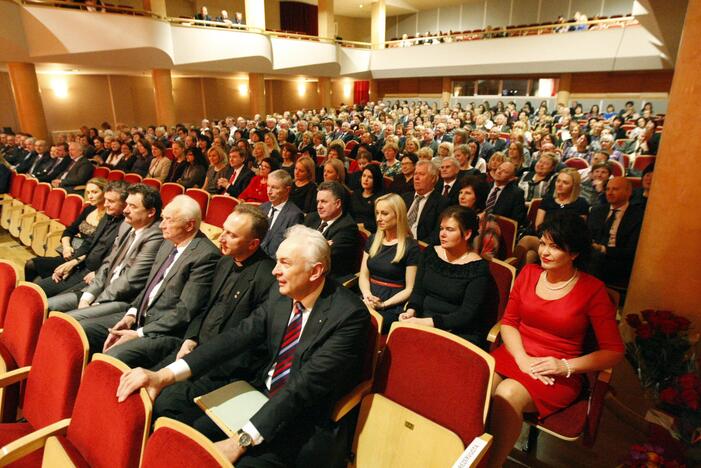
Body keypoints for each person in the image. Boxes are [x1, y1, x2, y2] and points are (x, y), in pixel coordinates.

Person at [116, 225, 370, 467]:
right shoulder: (283, 293)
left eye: (285, 263)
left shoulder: (349, 315)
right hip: (258, 397)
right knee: (187, 440)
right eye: (277, 260)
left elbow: (304, 387)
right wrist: (164, 375)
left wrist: (242, 440)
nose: (274, 271)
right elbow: (236, 337)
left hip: (303, 421)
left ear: (315, 271)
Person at [487, 213, 624, 467]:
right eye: (542, 243)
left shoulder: (591, 289)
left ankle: (492, 463)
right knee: (479, 386)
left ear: (574, 254)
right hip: (516, 353)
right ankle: (470, 453)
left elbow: (614, 351)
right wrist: (522, 358)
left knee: (506, 394)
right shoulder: (528, 272)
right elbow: (509, 322)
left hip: (557, 370)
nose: (544, 252)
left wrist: (565, 366)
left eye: (555, 246)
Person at [79, 195, 220, 367]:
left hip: (164, 332)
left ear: (189, 225)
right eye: (163, 219)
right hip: (140, 317)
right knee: (80, 330)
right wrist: (131, 315)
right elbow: (149, 288)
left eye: (168, 220)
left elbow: (184, 312)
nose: (161, 225)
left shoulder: (206, 255)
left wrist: (139, 333)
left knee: (112, 358)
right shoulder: (168, 242)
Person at [154, 205, 276, 372]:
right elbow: (205, 306)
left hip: (220, 365)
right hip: (193, 348)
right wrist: (191, 338)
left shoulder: (268, 277)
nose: (222, 238)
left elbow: (250, 338)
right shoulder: (224, 261)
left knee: (163, 397)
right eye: (224, 230)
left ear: (253, 244)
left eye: (232, 235)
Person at [49, 183, 164, 313]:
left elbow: (130, 280)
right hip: (100, 286)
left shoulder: (156, 236)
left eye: (132, 206)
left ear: (151, 212)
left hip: (120, 300)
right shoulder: (126, 226)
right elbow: (107, 264)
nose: (126, 210)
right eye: (126, 205)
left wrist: (97, 301)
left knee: (62, 319)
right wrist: (87, 297)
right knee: (47, 305)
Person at [400, 206, 494, 349]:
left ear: (467, 234)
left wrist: (426, 323)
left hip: (459, 332)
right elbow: (418, 292)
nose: (442, 234)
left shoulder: (478, 268)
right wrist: (411, 311)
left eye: (450, 230)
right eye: (441, 228)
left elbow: (466, 315)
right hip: (423, 322)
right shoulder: (430, 253)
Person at [30, 179, 127, 299]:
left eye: (110, 201)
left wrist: (97, 273)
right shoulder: (107, 216)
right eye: (88, 192)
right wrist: (72, 261)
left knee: (51, 300)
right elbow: (89, 242)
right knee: (35, 285)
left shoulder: (125, 225)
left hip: (94, 273)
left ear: (125, 204)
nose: (106, 204)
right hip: (81, 262)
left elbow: (116, 258)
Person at [359, 193, 419, 333]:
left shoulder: (411, 247)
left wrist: (383, 305)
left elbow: (410, 289)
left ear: (398, 215)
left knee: (364, 323)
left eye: (384, 213)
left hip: (393, 302)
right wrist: (367, 295)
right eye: (377, 213)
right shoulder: (373, 240)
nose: (379, 218)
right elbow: (363, 275)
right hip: (368, 294)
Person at [515, 168, 590, 267]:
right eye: (558, 181)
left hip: (565, 244)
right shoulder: (548, 200)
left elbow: (579, 230)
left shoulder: (581, 204)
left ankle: (511, 266)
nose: (559, 184)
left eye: (565, 182)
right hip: (545, 239)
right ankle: (518, 277)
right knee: (530, 256)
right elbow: (538, 226)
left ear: (574, 186)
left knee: (527, 240)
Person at [589, 177, 644, 287]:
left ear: (629, 192)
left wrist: (603, 249)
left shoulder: (638, 215)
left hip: (619, 262)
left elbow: (631, 250)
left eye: (615, 189)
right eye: (608, 189)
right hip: (593, 259)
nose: (609, 193)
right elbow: (587, 235)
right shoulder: (597, 211)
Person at [303, 181, 359, 281]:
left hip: (328, 279)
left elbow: (322, 257)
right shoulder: (311, 218)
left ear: (337, 203)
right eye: (318, 201)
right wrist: (322, 244)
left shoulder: (347, 227)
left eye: (324, 201)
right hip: (306, 271)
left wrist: (305, 244)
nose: (319, 206)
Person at [258, 170, 304, 259]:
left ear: (287, 190)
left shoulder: (294, 215)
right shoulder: (262, 208)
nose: (269, 191)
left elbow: (290, 249)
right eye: (268, 186)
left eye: (274, 187)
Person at [402, 160, 448, 244]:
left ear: (433, 179)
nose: (416, 178)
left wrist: (416, 247)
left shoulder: (442, 203)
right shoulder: (405, 197)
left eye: (422, 174)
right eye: (415, 174)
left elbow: (436, 235)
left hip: (419, 247)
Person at [486, 161, 527, 228]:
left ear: (511, 178)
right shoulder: (485, 186)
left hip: (499, 229)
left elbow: (515, 221)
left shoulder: (517, 194)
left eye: (505, 172)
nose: (499, 172)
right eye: (499, 168)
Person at [349, 163, 384, 232]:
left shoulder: (380, 198)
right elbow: (348, 214)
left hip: (371, 232)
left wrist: (363, 226)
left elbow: (379, 221)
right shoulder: (355, 194)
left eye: (370, 177)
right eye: (364, 176)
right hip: (352, 229)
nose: (366, 179)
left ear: (376, 180)